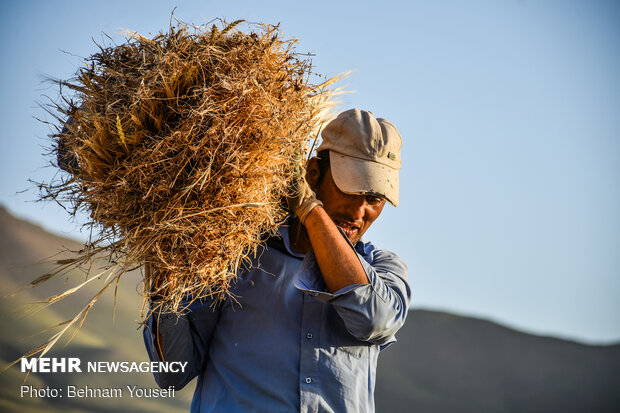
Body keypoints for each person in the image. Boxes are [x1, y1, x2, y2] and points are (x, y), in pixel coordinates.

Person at [143, 108, 412, 413]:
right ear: (312, 174)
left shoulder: (384, 271)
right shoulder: (236, 254)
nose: (359, 212)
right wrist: (165, 284)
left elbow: (373, 319)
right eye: (350, 190)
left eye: (374, 200)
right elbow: (172, 374)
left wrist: (310, 209)